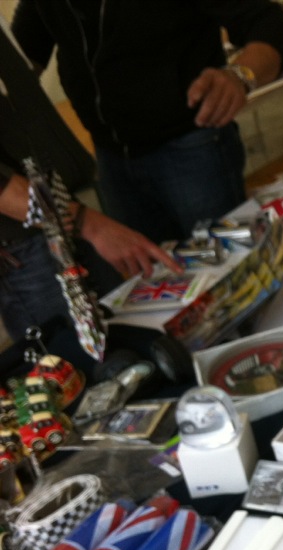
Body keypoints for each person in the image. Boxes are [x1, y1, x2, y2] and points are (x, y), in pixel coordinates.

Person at [10, 1, 283, 244]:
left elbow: (271, 25)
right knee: (154, 279)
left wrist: (240, 76)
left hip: (191, 148)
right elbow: (23, 52)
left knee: (231, 266)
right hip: (111, 157)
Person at [0, 17, 181, 343]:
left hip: (59, 216)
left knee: (132, 345)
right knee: (86, 363)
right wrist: (88, 224)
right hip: (30, 245)